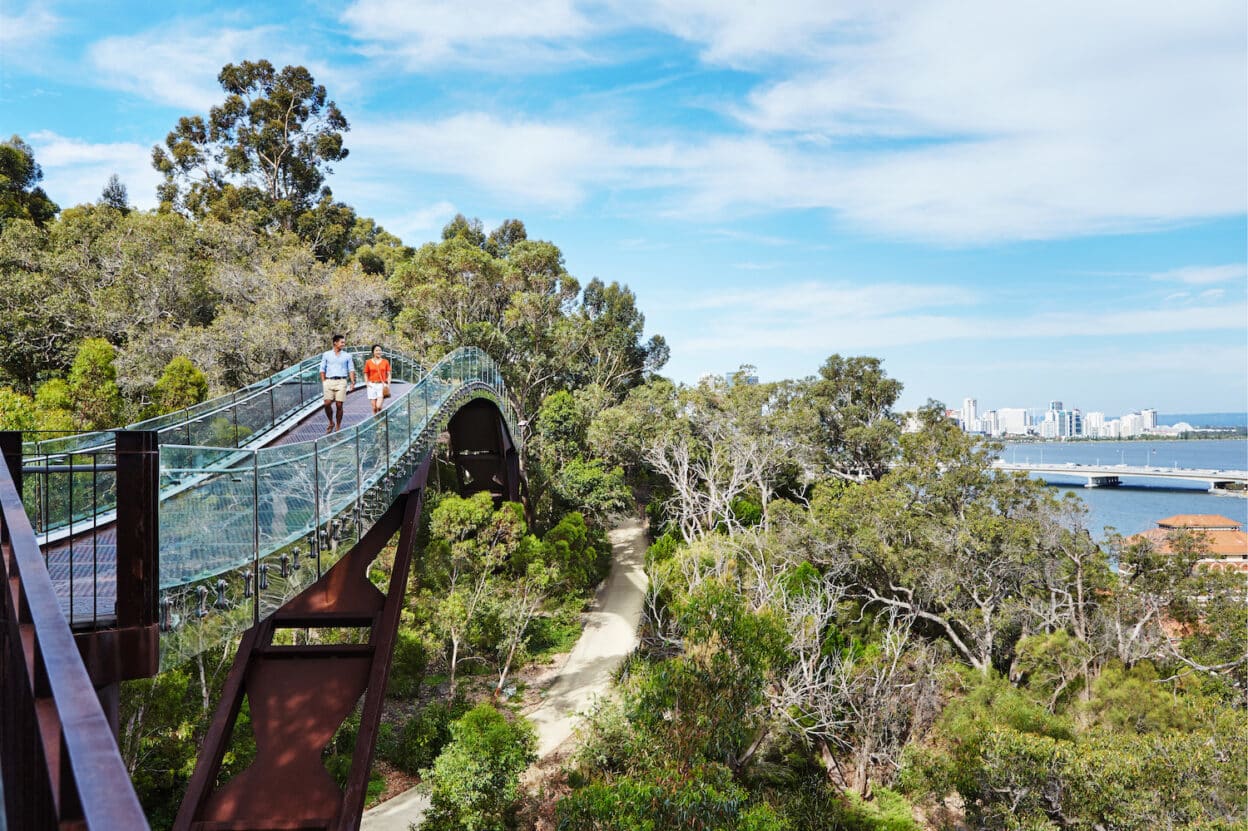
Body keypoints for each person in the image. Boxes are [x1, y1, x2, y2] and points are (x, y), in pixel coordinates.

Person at [319, 334, 355, 432]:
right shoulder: (326, 355)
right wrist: (324, 382)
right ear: (335, 343)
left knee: (339, 404)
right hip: (329, 381)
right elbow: (322, 369)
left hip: (341, 381)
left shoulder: (347, 356)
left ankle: (338, 425)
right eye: (342, 342)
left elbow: (351, 369)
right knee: (327, 403)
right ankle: (331, 422)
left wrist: (352, 382)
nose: (344, 344)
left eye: (344, 342)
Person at [363, 344, 391, 415]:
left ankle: (381, 416)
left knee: (378, 406)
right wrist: (367, 383)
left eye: (380, 350)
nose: (378, 352)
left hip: (381, 385)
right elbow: (366, 373)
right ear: (373, 352)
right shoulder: (368, 362)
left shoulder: (385, 362)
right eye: (376, 350)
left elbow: (389, 374)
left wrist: (388, 384)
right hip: (371, 385)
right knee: (374, 408)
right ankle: (377, 422)